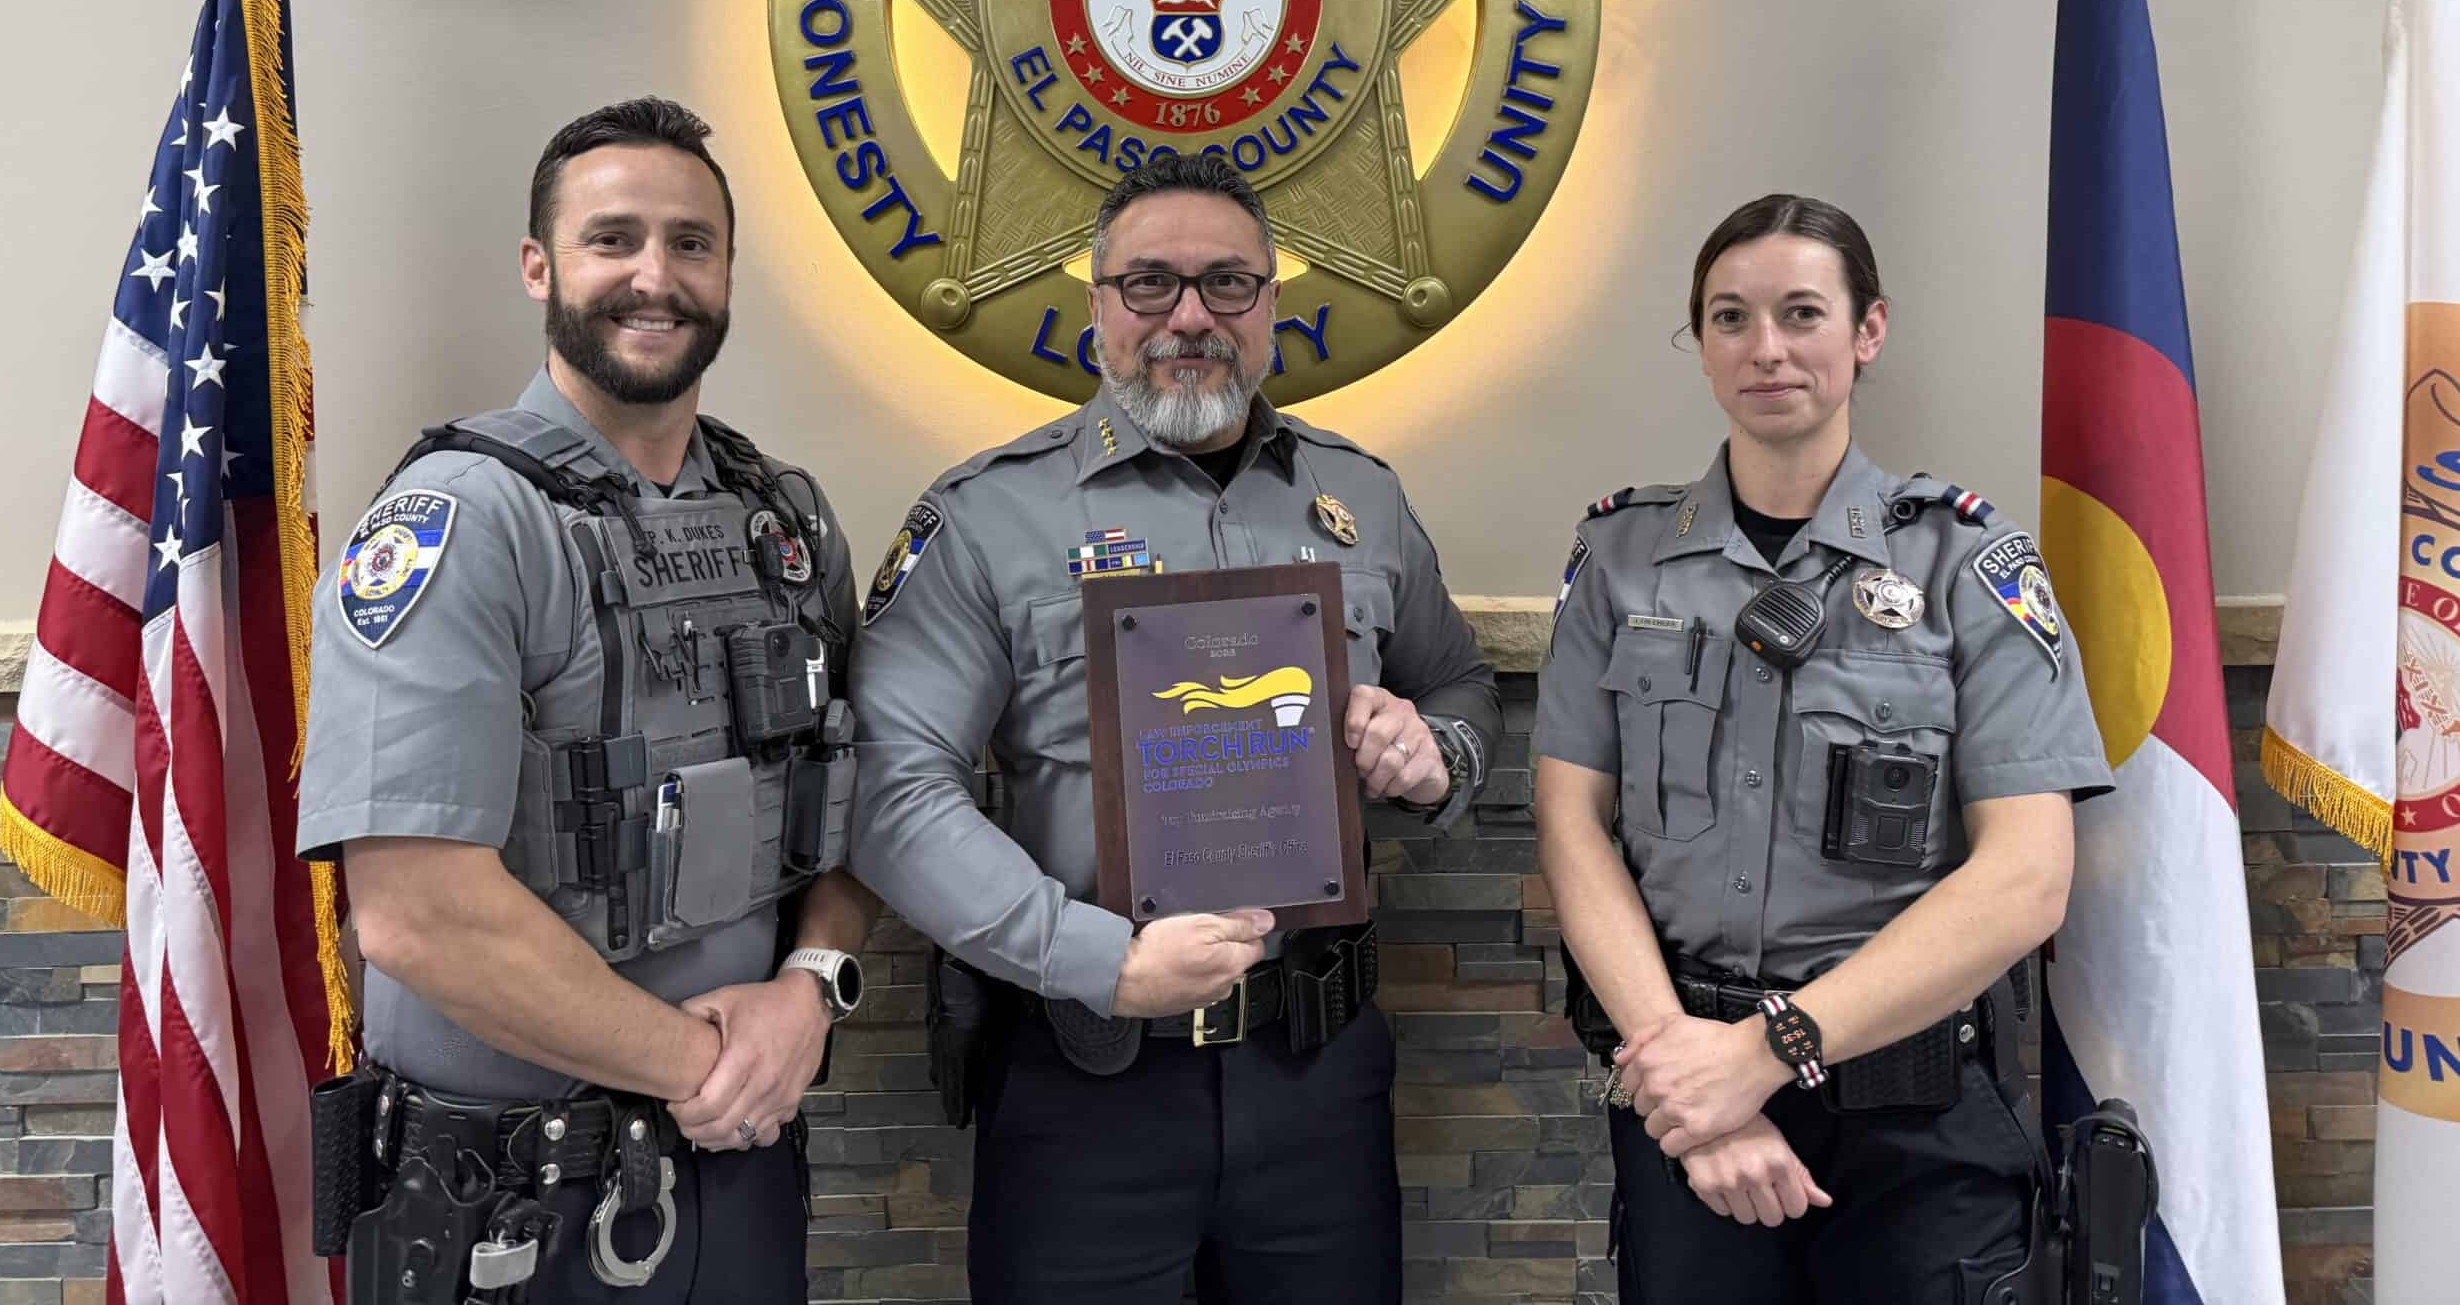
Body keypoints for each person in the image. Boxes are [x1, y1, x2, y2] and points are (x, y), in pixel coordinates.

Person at [847, 150, 1498, 1304]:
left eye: (1227, 285)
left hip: (1320, 1077)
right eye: (1149, 284)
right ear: (1095, 306)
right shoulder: (986, 514)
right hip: (1083, 1079)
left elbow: (1456, 685)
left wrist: (1431, 758)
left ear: (1272, 308)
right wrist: (1104, 963)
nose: (1189, 316)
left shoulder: (1365, 499)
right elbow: (897, 794)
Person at [297, 98, 877, 1302]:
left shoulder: (788, 521)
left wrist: (810, 990)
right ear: (538, 265)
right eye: (612, 239)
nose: (653, 276)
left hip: (739, 1172)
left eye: (691, 243)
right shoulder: (461, 524)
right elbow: (415, 916)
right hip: (508, 1200)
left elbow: (854, 801)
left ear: (726, 272)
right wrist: (707, 1070)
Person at [1534, 193, 2113, 1305]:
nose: (1767, 348)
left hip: (1917, 1114)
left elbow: (2027, 880)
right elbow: (1572, 829)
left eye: (1802, 313)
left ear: (1867, 331)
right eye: (1730, 318)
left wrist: (1760, 1055)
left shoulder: (1967, 563)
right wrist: (1691, 1087)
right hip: (1687, 1095)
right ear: (1699, 343)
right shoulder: (1619, 559)